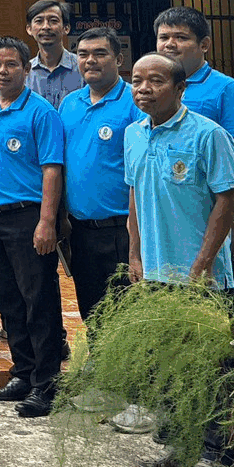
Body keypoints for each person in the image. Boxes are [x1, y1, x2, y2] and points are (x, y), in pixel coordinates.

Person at [125, 52, 234, 467]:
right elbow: (134, 197)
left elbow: (227, 200)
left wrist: (203, 264)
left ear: (180, 88)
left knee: (214, 369)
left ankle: (221, 456)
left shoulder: (208, 135)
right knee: (172, 366)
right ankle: (181, 443)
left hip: (202, 279)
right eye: (137, 80)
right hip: (155, 273)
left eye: (155, 81)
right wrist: (135, 255)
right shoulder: (133, 134)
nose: (144, 89)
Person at [0, 37, 65, 418]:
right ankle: (22, 373)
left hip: (27, 218)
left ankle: (47, 384)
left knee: (39, 300)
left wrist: (47, 222)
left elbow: (52, 169)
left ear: (26, 68)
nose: (2, 71)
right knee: (8, 299)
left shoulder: (41, 113)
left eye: (10, 64)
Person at [155, 7, 234, 299]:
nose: (170, 44)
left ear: (204, 45)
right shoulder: (152, 91)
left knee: (228, 305)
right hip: (172, 221)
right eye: (163, 37)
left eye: (180, 37)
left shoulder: (227, 91)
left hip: (219, 217)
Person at [58, 27, 142, 320]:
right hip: (80, 230)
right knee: (91, 310)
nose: (90, 60)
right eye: (83, 54)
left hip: (123, 229)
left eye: (100, 53)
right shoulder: (69, 103)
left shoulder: (135, 102)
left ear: (119, 59)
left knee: (127, 313)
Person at [24, 0, 83, 109]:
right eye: (39, 21)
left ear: (66, 28)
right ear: (29, 29)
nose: (46, 27)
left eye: (53, 21)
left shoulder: (83, 67)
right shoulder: (24, 73)